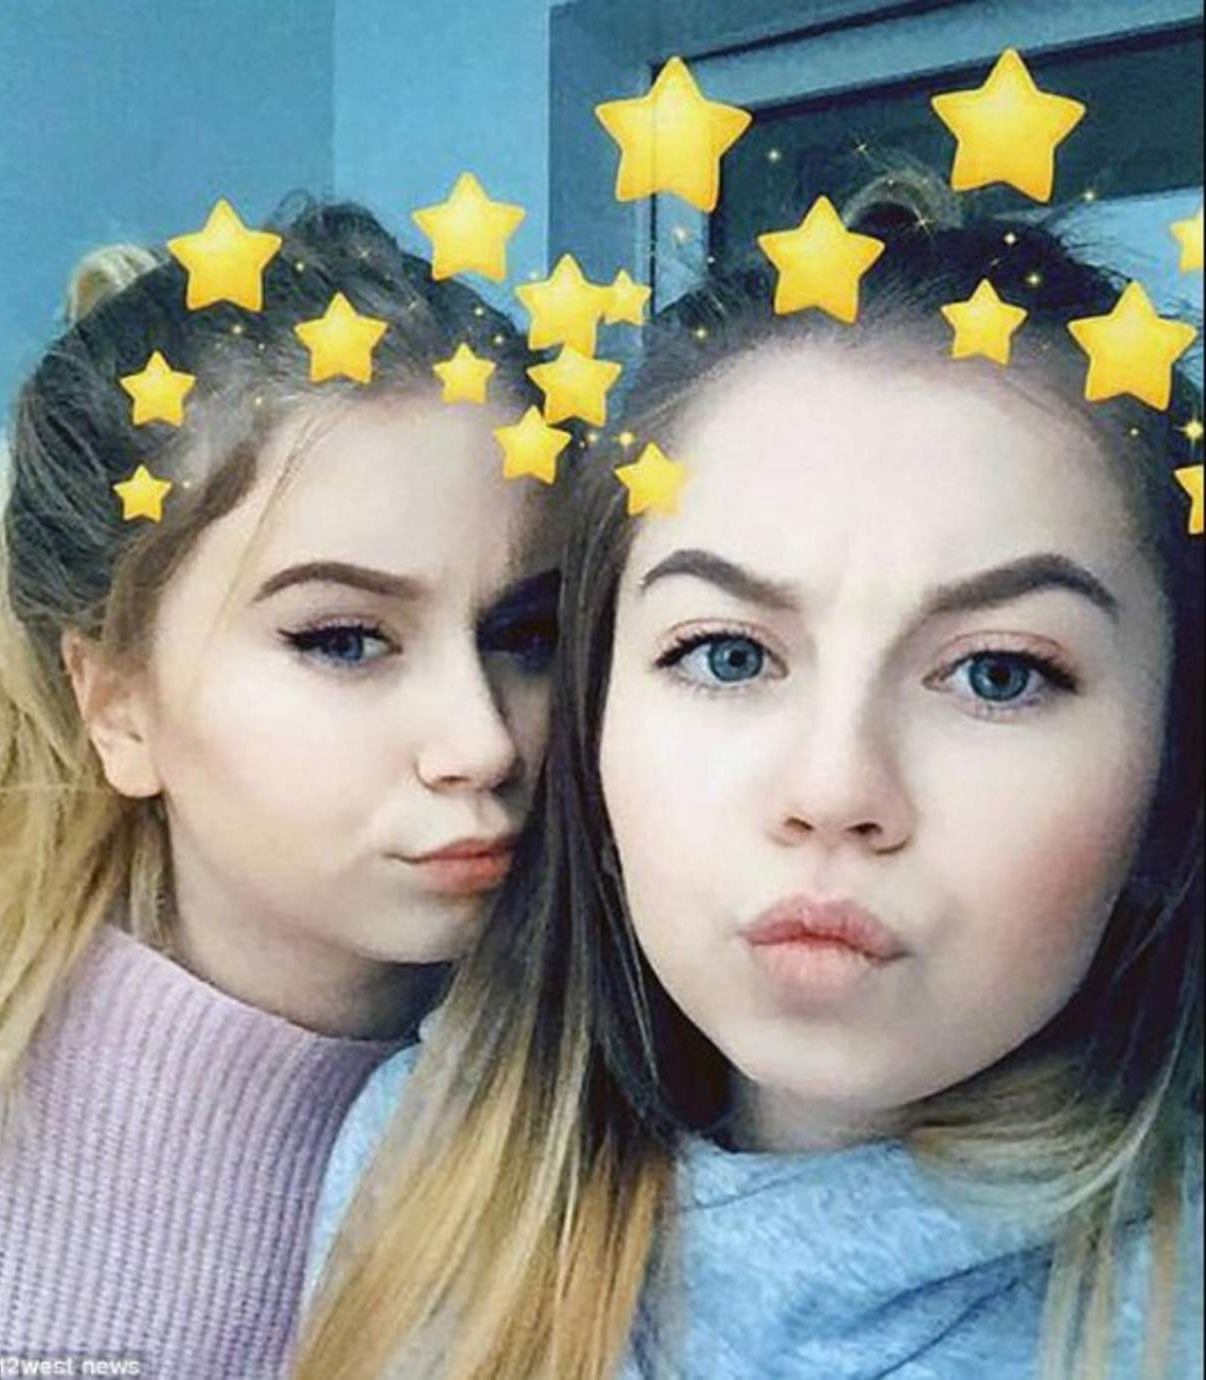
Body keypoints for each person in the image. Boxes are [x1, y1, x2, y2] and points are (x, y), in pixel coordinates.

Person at [298, 183, 1204, 1380]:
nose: (830, 789)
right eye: (726, 655)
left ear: (1167, 784)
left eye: (997, 675)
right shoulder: (423, 1159)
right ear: (594, 736)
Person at [0, 195, 566, 1376]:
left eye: (527, 634)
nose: (481, 742)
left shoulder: (631, 1136)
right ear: (115, 703)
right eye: (343, 639)